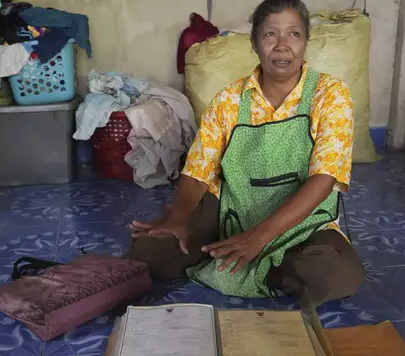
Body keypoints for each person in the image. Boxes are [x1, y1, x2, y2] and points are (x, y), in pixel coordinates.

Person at [127, 0, 364, 310]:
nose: (282, 46)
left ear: (306, 40)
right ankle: (240, 257)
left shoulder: (330, 94)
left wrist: (260, 237)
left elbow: (324, 178)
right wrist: (180, 217)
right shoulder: (229, 99)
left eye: (293, 34)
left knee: (338, 276)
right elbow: (199, 169)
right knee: (151, 254)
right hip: (231, 210)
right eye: (270, 35)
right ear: (254, 43)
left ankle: (255, 265)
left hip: (300, 221)